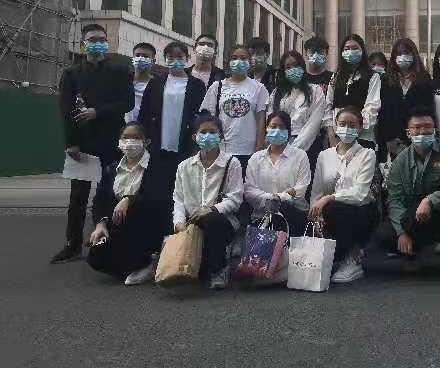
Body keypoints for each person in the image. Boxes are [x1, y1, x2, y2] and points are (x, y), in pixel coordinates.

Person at [52, 23, 134, 264]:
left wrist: (98, 111)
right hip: (83, 144)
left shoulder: (119, 71)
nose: (97, 43)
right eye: (92, 39)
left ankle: (111, 239)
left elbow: (127, 103)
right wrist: (71, 143)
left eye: (101, 39)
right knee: (78, 196)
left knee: (111, 193)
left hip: (112, 142)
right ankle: (73, 245)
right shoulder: (71, 74)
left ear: (107, 43)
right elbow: (66, 111)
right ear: (82, 44)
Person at [377, 107, 440, 283]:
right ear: (408, 132)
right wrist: (402, 233)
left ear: (434, 129)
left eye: (427, 127)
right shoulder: (400, 161)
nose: (422, 132)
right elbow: (394, 200)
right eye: (417, 127)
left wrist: (430, 200)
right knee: (383, 235)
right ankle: (414, 253)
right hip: (414, 216)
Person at [86, 123, 168, 285]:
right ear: (119, 141)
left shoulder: (157, 167)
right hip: (117, 225)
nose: (129, 142)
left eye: (136, 137)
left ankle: (147, 262)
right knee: (95, 255)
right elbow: (99, 201)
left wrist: (129, 199)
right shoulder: (112, 168)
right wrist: (100, 224)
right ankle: (137, 265)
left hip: (147, 225)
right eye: (125, 138)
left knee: (134, 215)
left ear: (146, 142)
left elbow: (159, 198)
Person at [173, 115, 243, 289]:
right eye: (203, 132)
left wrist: (211, 209)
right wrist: (179, 222)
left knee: (212, 220)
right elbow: (178, 200)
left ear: (221, 136)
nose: (207, 136)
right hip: (192, 223)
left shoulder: (232, 163)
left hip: (222, 221)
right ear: (194, 137)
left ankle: (220, 269)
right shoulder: (184, 166)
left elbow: (235, 199)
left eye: (212, 132)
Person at [310, 107, 379, 283]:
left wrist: (329, 198)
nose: (347, 129)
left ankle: (353, 257)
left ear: (360, 128)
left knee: (334, 208)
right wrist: (315, 215)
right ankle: (338, 256)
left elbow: (359, 193)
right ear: (335, 126)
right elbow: (317, 191)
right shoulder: (324, 156)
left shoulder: (367, 154)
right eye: (342, 124)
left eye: (352, 125)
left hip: (360, 212)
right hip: (329, 214)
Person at [137, 41, 206, 217]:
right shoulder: (155, 83)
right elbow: (144, 113)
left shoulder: (197, 85)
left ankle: (177, 225)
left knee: (181, 190)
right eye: (170, 57)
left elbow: (202, 116)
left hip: (184, 145)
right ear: (165, 59)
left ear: (187, 58)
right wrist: (144, 139)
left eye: (179, 57)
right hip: (157, 144)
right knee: (157, 190)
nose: (175, 60)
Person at [200, 44, 268, 178]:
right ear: (228, 61)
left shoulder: (259, 88)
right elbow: (207, 119)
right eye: (234, 58)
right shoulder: (217, 87)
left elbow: (261, 121)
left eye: (243, 58)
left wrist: (258, 150)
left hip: (248, 152)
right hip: (221, 150)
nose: (239, 61)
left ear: (249, 62)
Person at [244, 111, 311, 236]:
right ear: (266, 129)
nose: (277, 130)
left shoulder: (300, 156)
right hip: (262, 217)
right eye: (273, 126)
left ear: (288, 131)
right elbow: (250, 191)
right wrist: (280, 197)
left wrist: (278, 199)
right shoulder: (256, 158)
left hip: (293, 215)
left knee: (284, 210)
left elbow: (301, 189)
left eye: (282, 127)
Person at [377, 38, 434, 157]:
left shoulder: (424, 79)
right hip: (390, 141)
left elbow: (428, 111)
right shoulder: (385, 80)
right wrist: (389, 138)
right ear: (394, 57)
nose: (403, 56)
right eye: (399, 53)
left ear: (414, 55)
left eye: (407, 53)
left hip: (417, 139)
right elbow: (383, 112)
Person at [323, 34, 381, 147]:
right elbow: (328, 105)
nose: (350, 51)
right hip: (337, 136)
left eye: (355, 48)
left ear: (362, 51)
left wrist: (354, 131)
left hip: (362, 136)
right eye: (347, 49)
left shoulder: (373, 77)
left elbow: (372, 106)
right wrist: (331, 134)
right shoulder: (336, 76)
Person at [267, 51, 325, 152]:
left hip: (308, 146)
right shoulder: (276, 93)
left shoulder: (315, 91)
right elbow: (271, 119)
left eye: (296, 65)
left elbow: (313, 124)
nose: (293, 69)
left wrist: (294, 150)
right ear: (283, 70)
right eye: (288, 67)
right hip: (279, 145)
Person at [126, 42, 156, 123]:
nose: (140, 58)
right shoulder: (123, 81)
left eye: (145, 56)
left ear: (153, 61)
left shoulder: (158, 86)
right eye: (137, 55)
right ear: (133, 59)